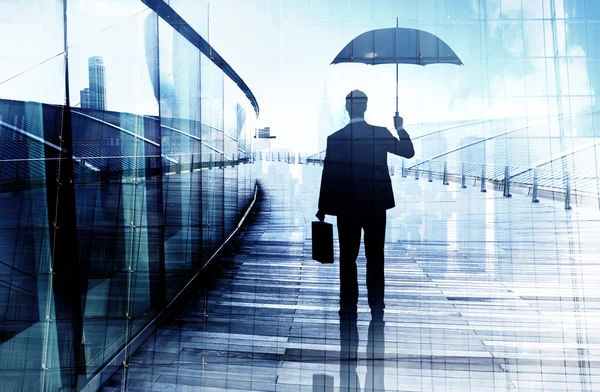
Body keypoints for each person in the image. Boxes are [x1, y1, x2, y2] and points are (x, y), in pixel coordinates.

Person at [316, 90, 414, 314]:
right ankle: (376, 304)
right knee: (375, 256)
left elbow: (328, 174)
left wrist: (323, 207)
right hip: (375, 205)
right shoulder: (379, 133)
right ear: (366, 107)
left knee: (347, 257)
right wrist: (399, 127)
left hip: (347, 207)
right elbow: (408, 152)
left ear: (347, 108)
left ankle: (348, 303)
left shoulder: (335, 137)